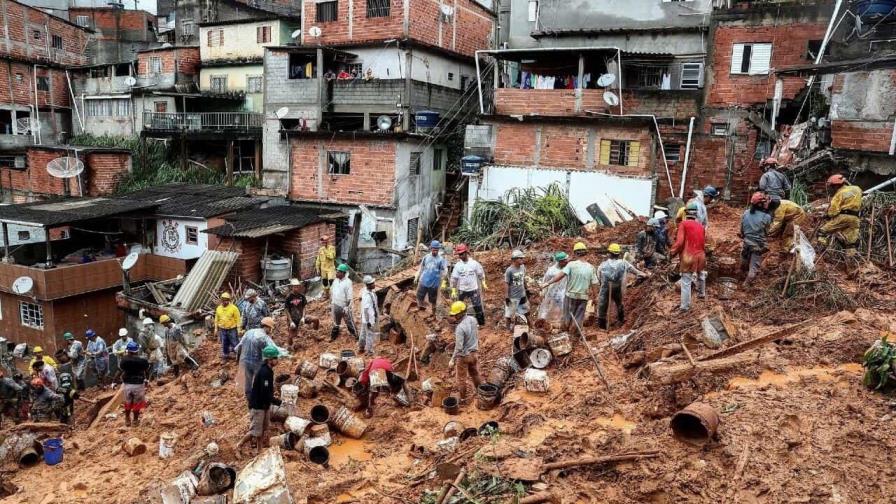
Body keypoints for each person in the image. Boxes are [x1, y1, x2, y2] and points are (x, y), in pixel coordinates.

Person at [542, 242, 598, 336]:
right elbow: (594, 283)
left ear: (575, 253)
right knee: (579, 317)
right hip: (583, 297)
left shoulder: (571, 265)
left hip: (570, 296)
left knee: (567, 315)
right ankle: (574, 335)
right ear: (586, 253)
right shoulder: (591, 267)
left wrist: (548, 283)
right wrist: (595, 297)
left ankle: (565, 334)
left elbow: (560, 275)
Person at [237, 345, 282, 456]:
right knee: (255, 431)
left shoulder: (269, 371)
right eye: (275, 358)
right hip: (258, 406)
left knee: (262, 429)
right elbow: (265, 392)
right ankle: (239, 445)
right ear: (269, 359)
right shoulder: (264, 373)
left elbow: (267, 391)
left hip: (264, 405)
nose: (277, 360)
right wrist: (277, 402)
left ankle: (259, 450)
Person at [596, 244, 647, 330]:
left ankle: (602, 325)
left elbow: (598, 276)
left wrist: (602, 284)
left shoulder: (603, 265)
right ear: (618, 254)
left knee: (602, 304)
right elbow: (635, 271)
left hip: (605, 288)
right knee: (619, 303)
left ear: (609, 253)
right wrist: (644, 274)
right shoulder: (624, 263)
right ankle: (621, 320)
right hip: (618, 288)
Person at [670, 202, 707, 311]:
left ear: (686, 213)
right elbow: (703, 242)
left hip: (688, 256)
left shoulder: (683, 224)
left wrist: (672, 252)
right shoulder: (701, 226)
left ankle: (685, 307)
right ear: (696, 214)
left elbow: (680, 242)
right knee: (701, 274)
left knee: (686, 282)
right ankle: (701, 294)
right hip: (701, 255)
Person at [818, 173, 862, 253]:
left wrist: (826, 215)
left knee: (822, 232)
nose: (832, 188)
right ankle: (851, 262)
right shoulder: (857, 189)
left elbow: (833, 212)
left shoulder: (838, 194)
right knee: (850, 243)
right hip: (855, 219)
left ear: (836, 186)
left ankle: (823, 253)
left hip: (843, 217)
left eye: (832, 186)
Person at [235, 317, 276, 401]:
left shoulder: (249, 332)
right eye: (271, 328)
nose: (271, 330)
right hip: (257, 362)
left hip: (245, 360)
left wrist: (238, 358)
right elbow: (273, 349)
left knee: (248, 379)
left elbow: (239, 346)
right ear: (268, 327)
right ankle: (261, 396)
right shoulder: (264, 337)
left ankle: (249, 396)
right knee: (261, 379)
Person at [448, 301, 481, 405]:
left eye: (455, 314)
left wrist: (452, 360)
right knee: (475, 374)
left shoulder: (460, 328)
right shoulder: (473, 319)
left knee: (461, 379)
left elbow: (459, 347)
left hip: (464, 356)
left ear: (461, 313)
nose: (454, 317)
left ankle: (462, 400)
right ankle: (480, 392)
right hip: (474, 353)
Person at [449, 244, 487, 326]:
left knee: (477, 306)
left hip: (473, 288)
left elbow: (480, 273)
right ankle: (460, 322)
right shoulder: (458, 266)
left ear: (466, 252)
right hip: (462, 289)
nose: (460, 256)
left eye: (462, 254)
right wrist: (453, 290)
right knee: (459, 306)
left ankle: (481, 323)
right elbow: (454, 278)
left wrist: (483, 283)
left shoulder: (474, 263)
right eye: (459, 254)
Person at [740, 192, 773, 284]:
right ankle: (746, 284)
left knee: (744, 261)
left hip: (746, 241)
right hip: (757, 245)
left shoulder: (746, 213)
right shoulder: (766, 217)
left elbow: (742, 230)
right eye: (764, 202)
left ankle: (742, 272)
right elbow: (766, 232)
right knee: (753, 269)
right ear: (760, 204)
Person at [118, 341, 149, 427]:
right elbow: (146, 369)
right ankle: (135, 421)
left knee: (128, 402)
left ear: (128, 351)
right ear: (137, 350)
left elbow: (122, 369)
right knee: (137, 403)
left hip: (127, 384)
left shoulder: (124, 360)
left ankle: (127, 419)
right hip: (138, 384)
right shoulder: (142, 361)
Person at [415, 240, 447, 317]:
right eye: (433, 249)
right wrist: (417, 276)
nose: (435, 251)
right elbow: (421, 268)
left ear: (438, 250)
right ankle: (420, 308)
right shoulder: (426, 257)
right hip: (424, 281)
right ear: (431, 248)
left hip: (434, 284)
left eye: (436, 250)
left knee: (433, 300)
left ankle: (433, 314)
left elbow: (444, 271)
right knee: (420, 296)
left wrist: (443, 282)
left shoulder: (441, 260)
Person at [538, 252, 569, 325]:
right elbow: (545, 281)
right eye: (565, 260)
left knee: (562, 309)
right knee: (546, 308)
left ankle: (559, 324)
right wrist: (543, 292)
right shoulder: (551, 270)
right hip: (552, 292)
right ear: (560, 261)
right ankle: (542, 323)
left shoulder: (568, 269)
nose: (566, 261)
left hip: (563, 292)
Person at [330, 263, 357, 341]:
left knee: (349, 322)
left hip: (344, 306)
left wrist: (347, 307)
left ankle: (355, 335)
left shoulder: (348, 282)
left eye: (338, 272)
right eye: (337, 271)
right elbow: (332, 291)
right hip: (335, 304)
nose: (336, 273)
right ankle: (333, 337)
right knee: (336, 322)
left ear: (343, 273)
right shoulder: (336, 281)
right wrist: (331, 303)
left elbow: (349, 297)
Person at [503, 250, 529, 328]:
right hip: (513, 296)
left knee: (525, 311)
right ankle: (507, 329)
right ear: (514, 260)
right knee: (509, 314)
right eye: (520, 258)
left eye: (522, 258)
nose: (522, 260)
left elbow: (523, 278)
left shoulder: (522, 267)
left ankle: (528, 326)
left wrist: (526, 289)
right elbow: (506, 283)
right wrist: (506, 296)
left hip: (522, 294)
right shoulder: (509, 270)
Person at [215, 292, 241, 360]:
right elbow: (216, 319)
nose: (225, 302)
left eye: (227, 300)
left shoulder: (234, 308)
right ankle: (226, 355)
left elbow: (238, 319)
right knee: (224, 342)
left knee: (235, 342)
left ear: (229, 300)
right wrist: (216, 328)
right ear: (221, 300)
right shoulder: (218, 308)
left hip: (232, 329)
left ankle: (238, 355)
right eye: (224, 300)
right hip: (222, 329)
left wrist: (238, 329)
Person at [284, 278, 307, 349]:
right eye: (294, 286)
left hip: (300, 317)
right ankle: (289, 346)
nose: (296, 288)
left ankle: (316, 332)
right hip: (292, 318)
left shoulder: (302, 296)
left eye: (297, 286)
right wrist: (290, 321)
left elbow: (304, 307)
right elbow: (286, 310)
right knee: (291, 335)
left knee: (315, 319)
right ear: (291, 287)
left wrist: (303, 317)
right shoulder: (288, 297)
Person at [359, 276, 379, 356]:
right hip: (368, 318)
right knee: (369, 334)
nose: (374, 284)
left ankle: (361, 347)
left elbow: (360, 298)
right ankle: (369, 351)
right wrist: (368, 321)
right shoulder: (367, 296)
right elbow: (366, 309)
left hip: (365, 317)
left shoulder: (366, 291)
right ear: (368, 285)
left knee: (363, 332)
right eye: (372, 283)